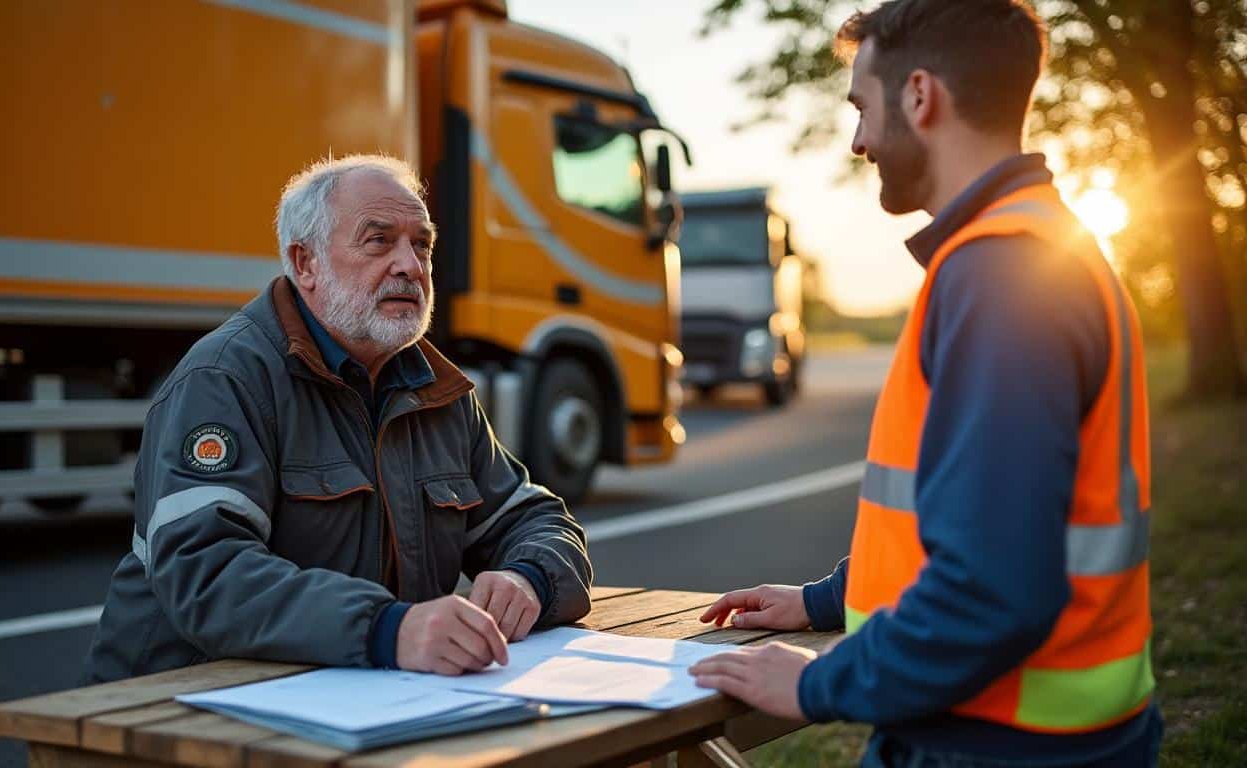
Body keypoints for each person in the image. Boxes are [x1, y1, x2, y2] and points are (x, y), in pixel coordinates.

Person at [688, 1, 1161, 765]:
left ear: (918, 96)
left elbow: (991, 589)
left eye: (861, 107)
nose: (858, 141)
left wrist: (817, 683)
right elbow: (982, 519)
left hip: (997, 743)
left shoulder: (1002, 275)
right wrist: (824, 601)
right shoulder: (1037, 246)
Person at [85, 155, 593, 683]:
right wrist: (386, 629)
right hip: (169, 705)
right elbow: (205, 572)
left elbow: (535, 520)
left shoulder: (436, 390)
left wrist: (528, 578)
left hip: (360, 697)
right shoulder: (225, 379)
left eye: (422, 245)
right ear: (304, 262)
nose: (411, 266)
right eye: (379, 241)